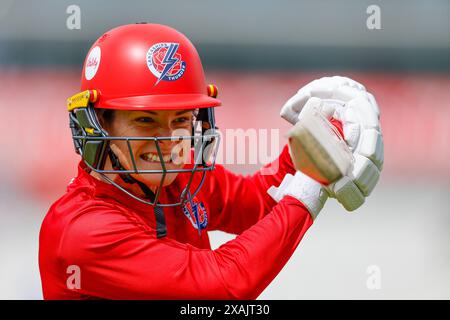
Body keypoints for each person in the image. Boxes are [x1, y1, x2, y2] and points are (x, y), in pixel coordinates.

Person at [39, 23, 383, 299]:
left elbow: (260, 202)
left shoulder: (182, 178)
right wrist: (311, 183)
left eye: (181, 119)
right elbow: (220, 286)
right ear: (98, 125)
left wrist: (318, 136)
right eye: (145, 120)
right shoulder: (83, 230)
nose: (168, 139)